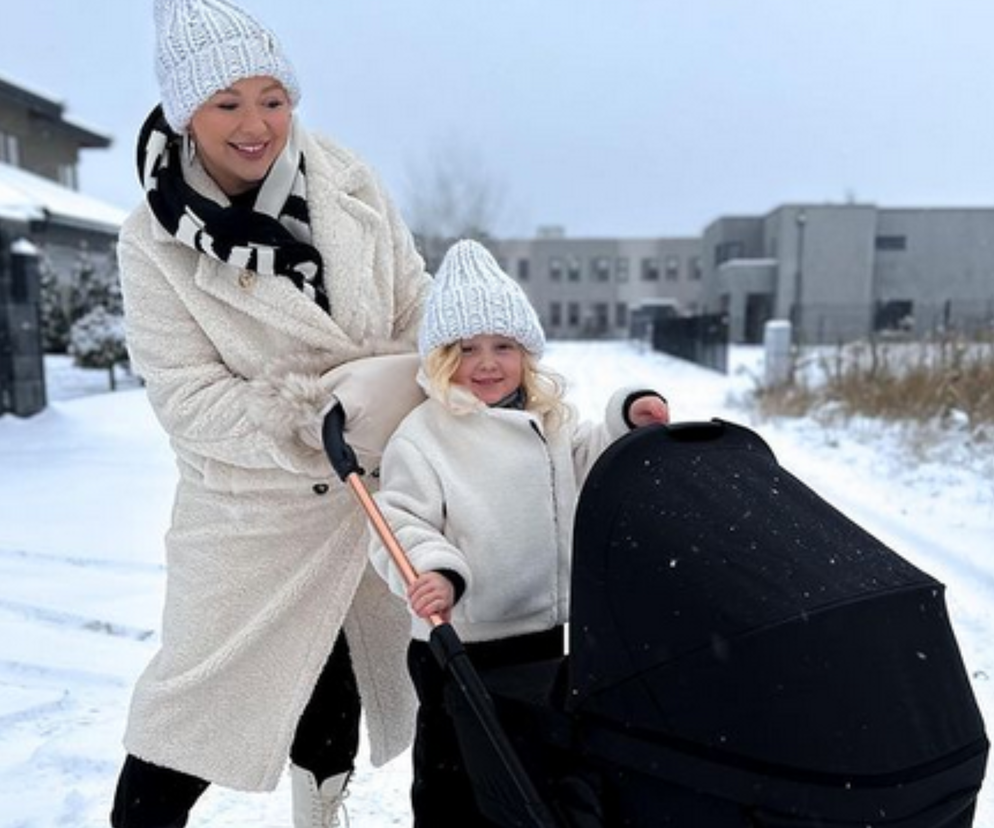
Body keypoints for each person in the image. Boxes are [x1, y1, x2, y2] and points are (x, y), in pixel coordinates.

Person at [110, 1, 432, 826]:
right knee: (183, 724)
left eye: (273, 98)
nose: (256, 124)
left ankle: (319, 817)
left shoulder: (349, 182)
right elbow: (188, 400)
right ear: (187, 112)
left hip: (366, 499)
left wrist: (421, 377)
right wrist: (306, 419)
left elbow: (416, 309)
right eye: (227, 103)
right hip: (247, 518)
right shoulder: (153, 241)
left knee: (341, 686)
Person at [367, 239, 670, 826]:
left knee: (530, 769)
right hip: (459, 640)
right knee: (455, 776)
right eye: (467, 348)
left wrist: (628, 418)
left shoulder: (550, 421)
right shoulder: (426, 436)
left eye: (503, 346)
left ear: (526, 353)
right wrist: (437, 571)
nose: (486, 363)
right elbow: (398, 520)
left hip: (540, 632)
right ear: (439, 358)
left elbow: (593, 464)